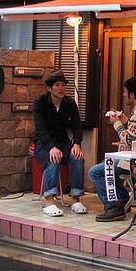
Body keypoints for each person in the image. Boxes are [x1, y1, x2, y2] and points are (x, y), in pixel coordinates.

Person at [89, 76, 136, 221]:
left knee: (95, 172)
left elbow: (129, 139)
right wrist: (126, 120)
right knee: (109, 167)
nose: (123, 94)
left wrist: (116, 123)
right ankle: (122, 199)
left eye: (125, 91)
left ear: (132, 95)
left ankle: (113, 206)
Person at [33, 70, 87, 217]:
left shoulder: (69, 103)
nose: (61, 88)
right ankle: (49, 200)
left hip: (63, 141)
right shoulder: (40, 103)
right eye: (57, 85)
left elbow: (77, 126)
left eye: (63, 85)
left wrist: (77, 143)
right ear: (49, 88)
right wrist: (51, 147)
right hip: (44, 143)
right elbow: (40, 128)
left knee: (77, 157)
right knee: (53, 158)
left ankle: (76, 197)